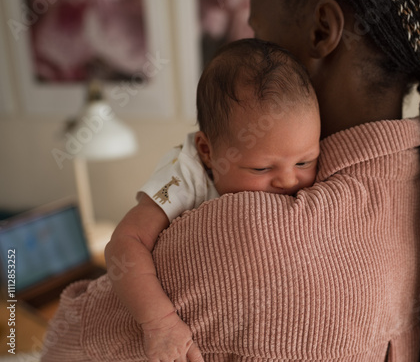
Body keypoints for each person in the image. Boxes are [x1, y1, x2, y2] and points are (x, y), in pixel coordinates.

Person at [41, 0, 420, 361]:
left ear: (321, 30)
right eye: (263, 167)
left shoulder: (253, 235)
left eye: (257, 30)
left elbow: (66, 342)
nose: (287, 180)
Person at [104, 37, 321, 362]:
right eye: (262, 167)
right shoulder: (187, 174)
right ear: (208, 152)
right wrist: (160, 323)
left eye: (305, 161)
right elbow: (125, 243)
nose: (289, 181)